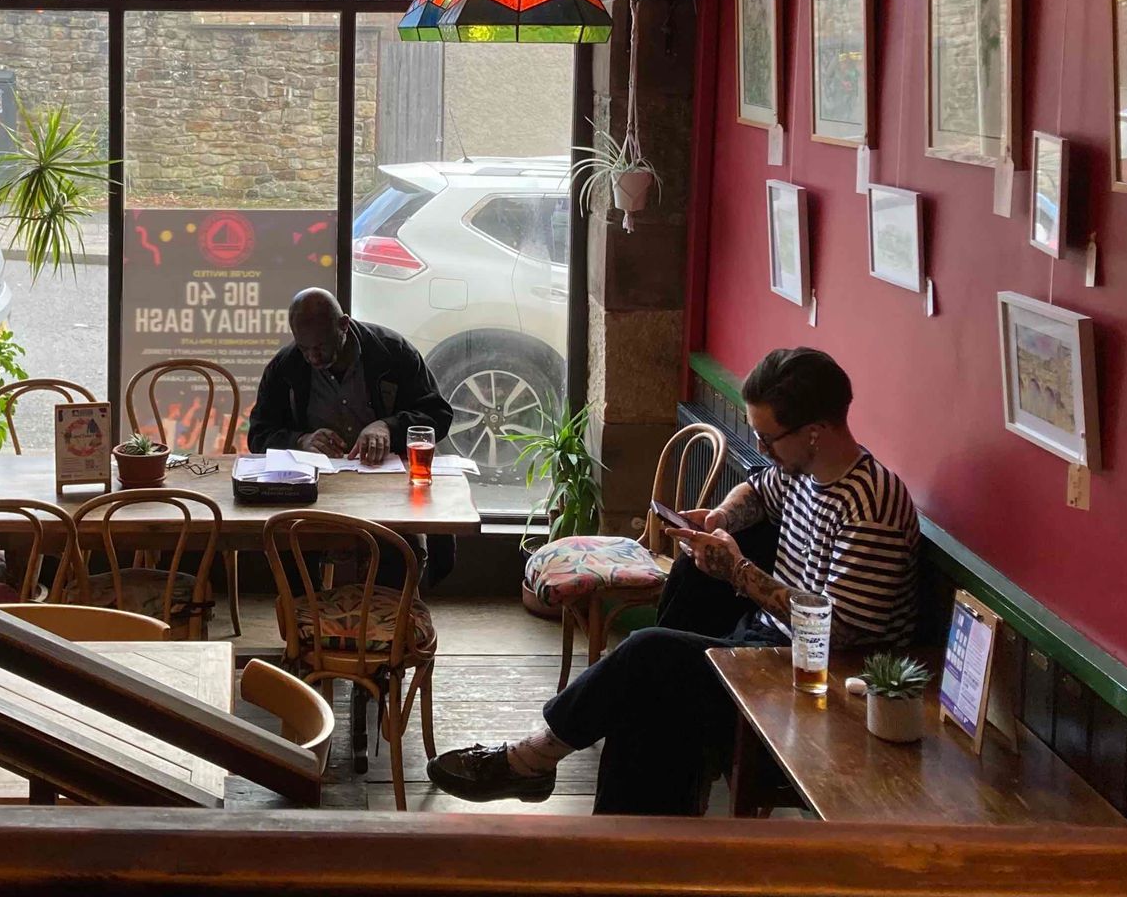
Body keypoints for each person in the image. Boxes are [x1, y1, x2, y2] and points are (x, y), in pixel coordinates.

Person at [427, 346, 920, 812]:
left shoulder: (869, 506)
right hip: (764, 641)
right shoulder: (802, 469)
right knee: (651, 679)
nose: (764, 450)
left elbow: (842, 633)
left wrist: (740, 573)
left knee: (648, 656)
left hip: (818, 683)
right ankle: (625, 845)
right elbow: (757, 490)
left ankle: (534, 758)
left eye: (768, 439)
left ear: (814, 431)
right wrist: (719, 520)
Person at [247, 288, 453, 463]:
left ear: (343, 325)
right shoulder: (286, 366)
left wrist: (388, 427)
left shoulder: (392, 353)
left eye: (321, 346)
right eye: (304, 348)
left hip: (384, 475)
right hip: (315, 480)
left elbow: (438, 415)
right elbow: (258, 434)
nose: (313, 357)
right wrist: (300, 441)